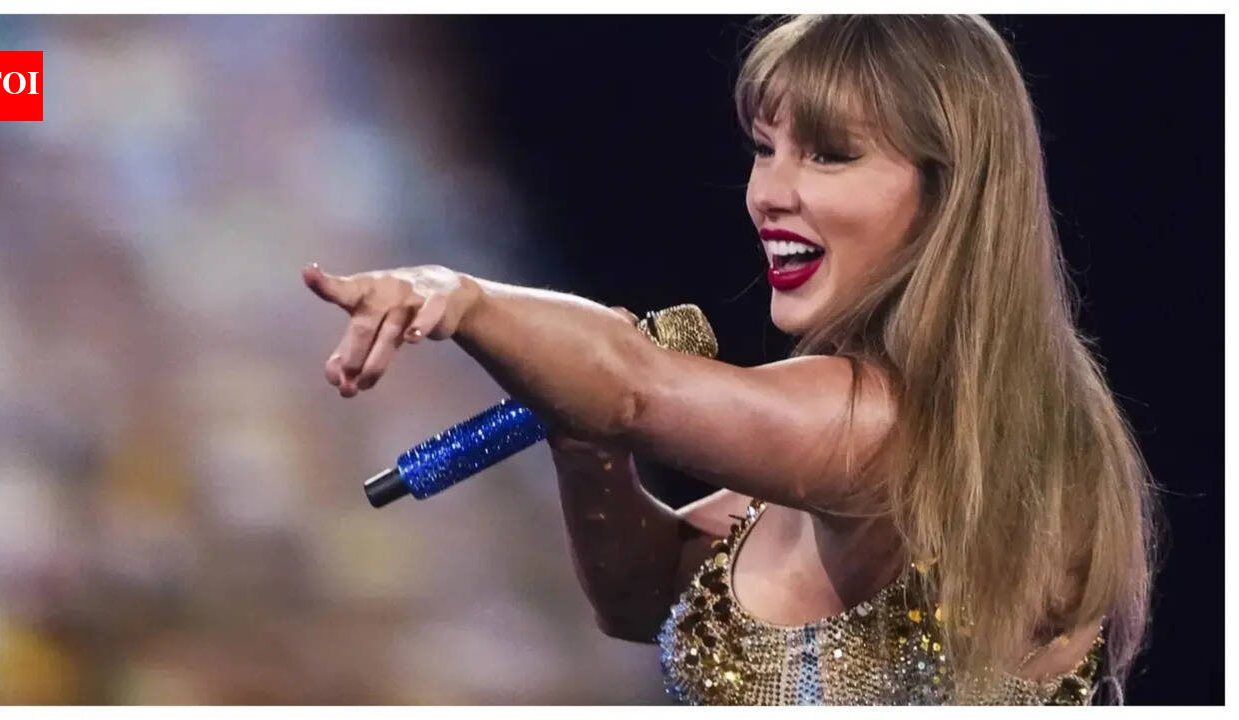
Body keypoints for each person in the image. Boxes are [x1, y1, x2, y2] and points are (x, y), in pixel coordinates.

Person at [301, 14, 1158, 705]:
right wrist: (584, 435)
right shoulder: (813, 446)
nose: (769, 193)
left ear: (950, 194)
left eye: (829, 154)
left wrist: (464, 297)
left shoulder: (908, 430)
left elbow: (636, 391)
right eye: (764, 147)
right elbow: (644, 599)